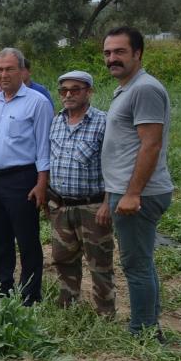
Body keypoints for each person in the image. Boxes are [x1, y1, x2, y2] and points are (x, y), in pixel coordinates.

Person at [101, 26, 173, 338]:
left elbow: (151, 144)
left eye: (120, 52)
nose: (112, 58)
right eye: (107, 53)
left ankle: (143, 331)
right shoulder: (128, 88)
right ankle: (147, 323)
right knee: (141, 261)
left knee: (136, 265)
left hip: (138, 194)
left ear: (138, 54)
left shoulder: (145, 89)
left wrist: (132, 193)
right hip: (125, 191)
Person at [0, 48, 52, 305]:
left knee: (27, 239)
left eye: (9, 69)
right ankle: (2, 289)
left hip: (21, 180)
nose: (4, 74)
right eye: (0, 69)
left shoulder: (37, 102)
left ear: (21, 71)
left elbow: (44, 147)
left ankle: (30, 295)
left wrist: (42, 183)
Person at [48, 70, 114, 315]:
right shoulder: (56, 121)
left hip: (93, 207)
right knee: (63, 261)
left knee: (100, 264)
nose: (68, 94)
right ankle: (68, 307)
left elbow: (114, 166)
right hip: (61, 206)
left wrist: (108, 204)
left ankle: (105, 314)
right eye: (64, 90)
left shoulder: (103, 122)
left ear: (89, 91)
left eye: (75, 89)